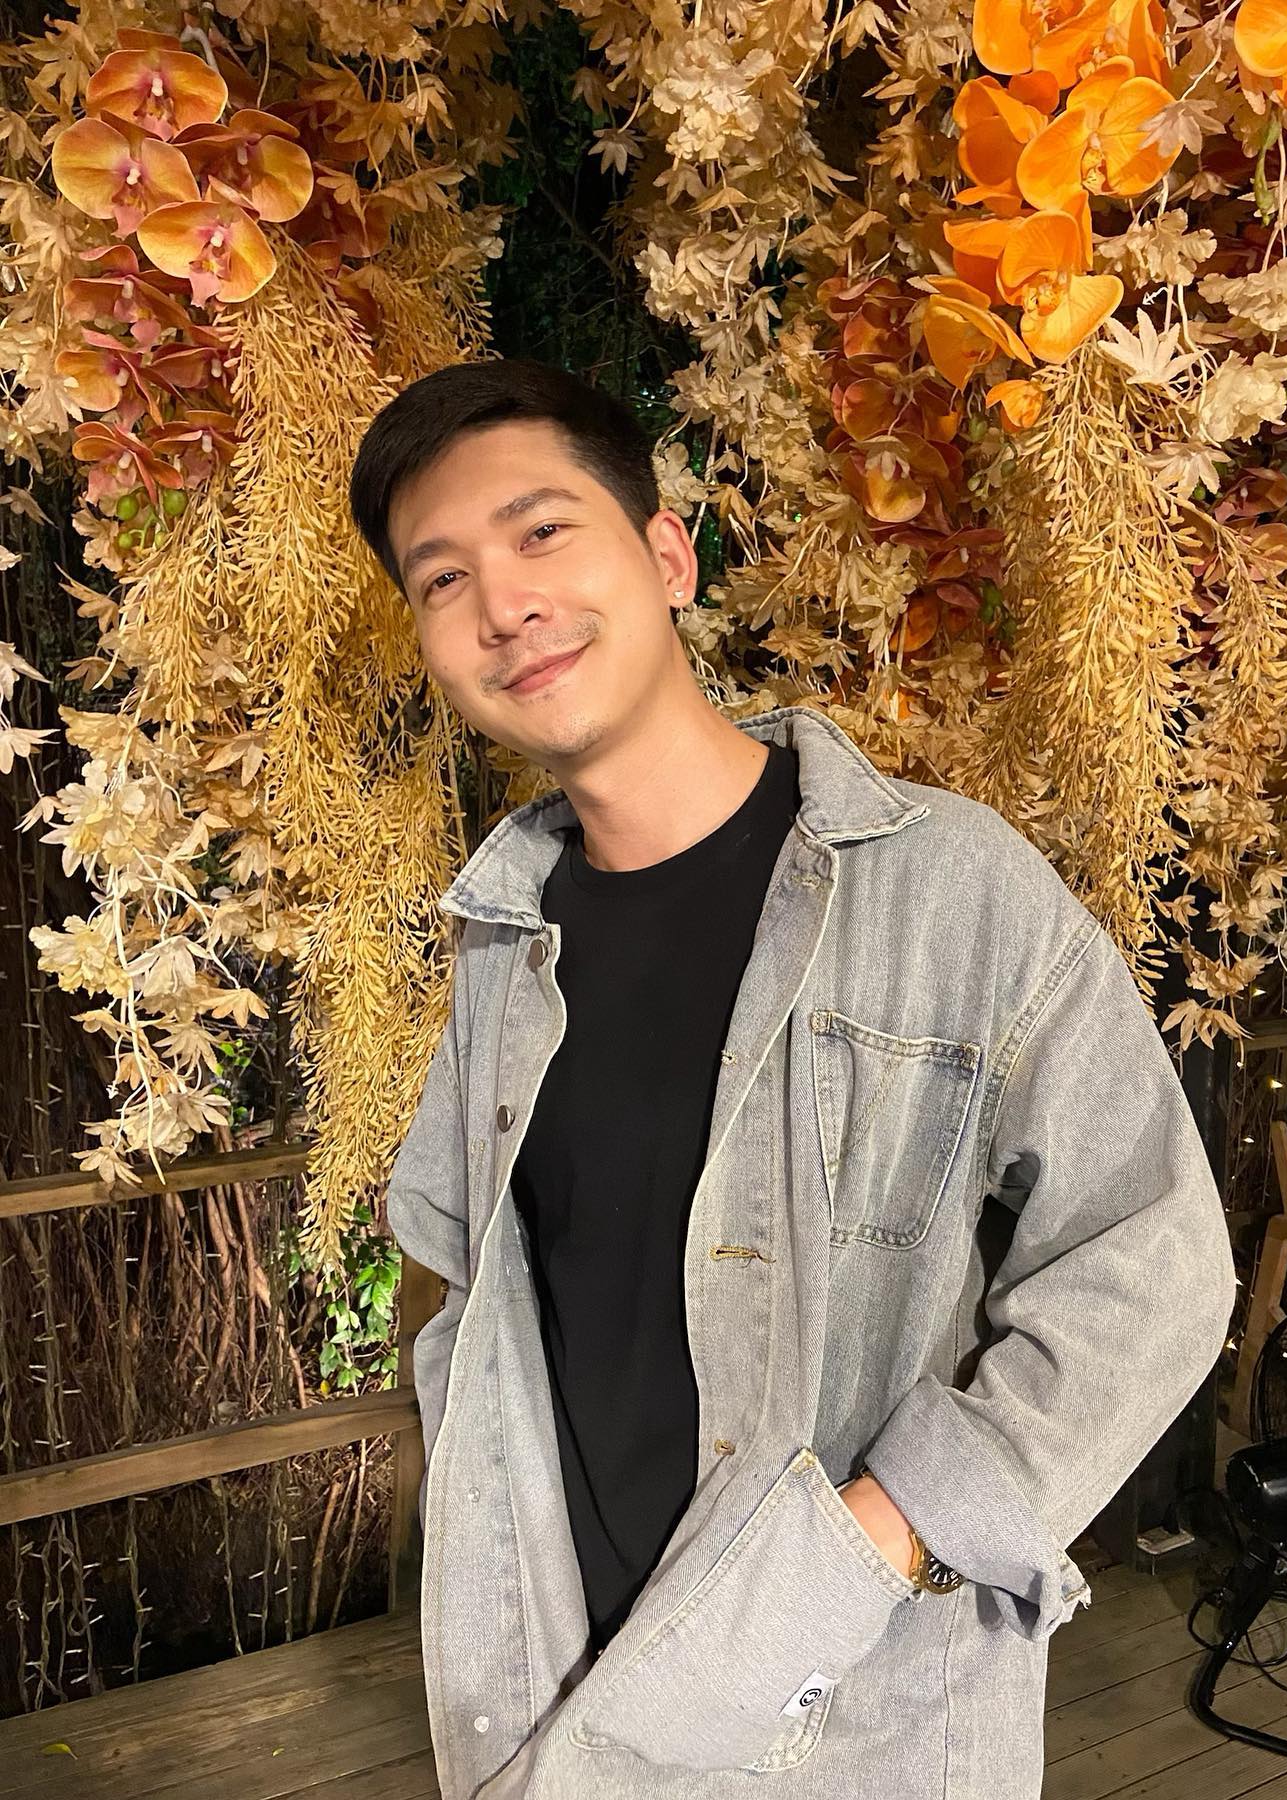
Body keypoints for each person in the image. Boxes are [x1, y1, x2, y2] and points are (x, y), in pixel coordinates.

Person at [347, 359, 1237, 1800]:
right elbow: (468, 1284)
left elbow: (1154, 1258)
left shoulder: (946, 889)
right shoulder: (504, 940)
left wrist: (882, 1541)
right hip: (558, 1707)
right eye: (442, 579)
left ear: (668, 556)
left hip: (853, 1715)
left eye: (542, 532)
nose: (503, 604)